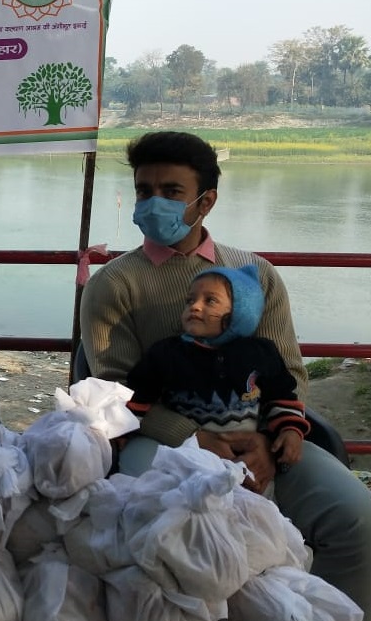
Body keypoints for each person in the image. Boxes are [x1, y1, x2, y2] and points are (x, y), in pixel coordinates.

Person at [80, 130, 371, 611]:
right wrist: (194, 440)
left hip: (259, 437)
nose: (155, 203)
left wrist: (266, 439)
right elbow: (115, 393)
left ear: (206, 201)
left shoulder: (254, 274)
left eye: (171, 192)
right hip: (162, 441)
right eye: (143, 191)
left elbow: (289, 372)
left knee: (358, 520)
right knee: (175, 534)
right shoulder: (113, 285)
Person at [125, 264, 308, 494]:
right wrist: (121, 433)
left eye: (210, 300)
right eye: (190, 300)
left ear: (241, 312)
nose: (195, 307)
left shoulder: (261, 353)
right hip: (185, 455)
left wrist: (290, 431)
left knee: (256, 511)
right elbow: (137, 398)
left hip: (247, 459)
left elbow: (281, 397)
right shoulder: (166, 354)